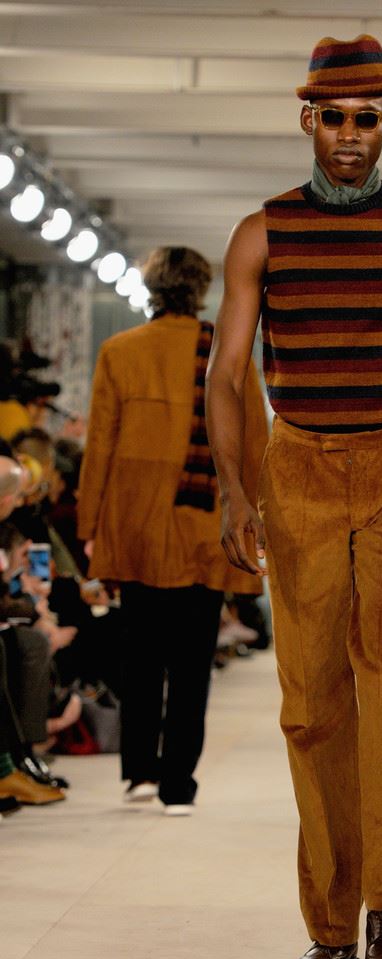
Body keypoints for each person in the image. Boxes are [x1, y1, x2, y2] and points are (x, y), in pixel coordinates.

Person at [206, 34, 382, 959]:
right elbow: (226, 374)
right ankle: (330, 919)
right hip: (301, 470)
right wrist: (237, 490)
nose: (350, 134)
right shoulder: (262, 233)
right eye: (334, 117)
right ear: (308, 121)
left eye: (368, 118)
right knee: (311, 702)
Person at [78, 246, 268, 815]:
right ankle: (177, 784)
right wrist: (258, 522)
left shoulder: (120, 351)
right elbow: (255, 443)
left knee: (139, 657)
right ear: (202, 288)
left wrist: (91, 527)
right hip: (205, 527)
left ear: (152, 288)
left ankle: (140, 772)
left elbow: (99, 446)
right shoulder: (227, 355)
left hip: (135, 526)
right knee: (191, 664)